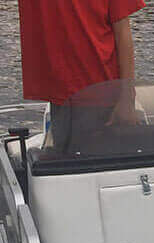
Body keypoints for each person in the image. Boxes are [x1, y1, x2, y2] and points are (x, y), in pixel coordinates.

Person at [17, 0, 146, 151]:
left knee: (97, 166)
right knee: (67, 164)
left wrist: (127, 99)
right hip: (61, 100)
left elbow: (122, 31)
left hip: (102, 99)